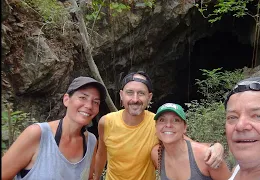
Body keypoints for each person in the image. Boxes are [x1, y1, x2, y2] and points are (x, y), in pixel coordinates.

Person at [94, 71, 225, 180]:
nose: (135, 99)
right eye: (130, 93)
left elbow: (189, 146)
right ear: (121, 95)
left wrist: (217, 147)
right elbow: (101, 153)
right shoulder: (106, 122)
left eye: (141, 93)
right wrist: (96, 177)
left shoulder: (158, 125)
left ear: (149, 97)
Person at [2, 76, 107, 180]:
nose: (89, 106)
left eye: (95, 102)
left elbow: (88, 177)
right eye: (83, 98)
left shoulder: (91, 141)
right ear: (66, 99)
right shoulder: (38, 134)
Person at [151, 103, 232, 180]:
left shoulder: (206, 156)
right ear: (156, 126)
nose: (168, 125)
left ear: (185, 127)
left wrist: (218, 146)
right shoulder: (157, 154)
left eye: (176, 120)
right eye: (162, 120)